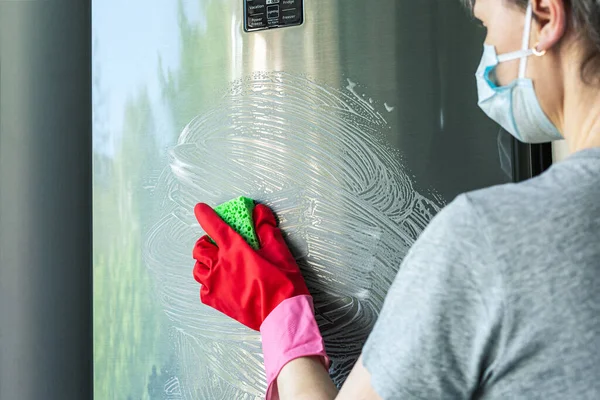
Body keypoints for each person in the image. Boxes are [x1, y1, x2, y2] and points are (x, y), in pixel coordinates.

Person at [191, 0, 600, 398]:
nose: (487, 55)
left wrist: (276, 308)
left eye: (486, 26)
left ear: (544, 17)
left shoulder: (489, 239)